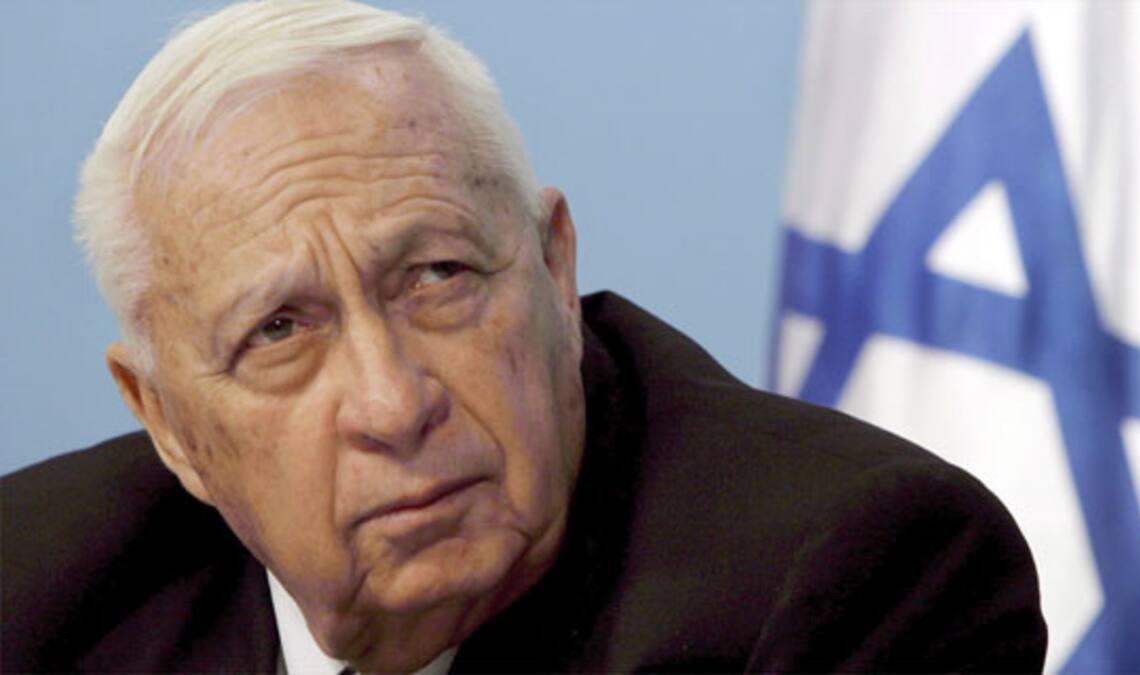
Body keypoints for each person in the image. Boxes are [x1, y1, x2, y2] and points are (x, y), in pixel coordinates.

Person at [0, 1, 1047, 672]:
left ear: (554, 266)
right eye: (279, 331)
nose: (393, 403)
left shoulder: (853, 578)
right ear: (167, 423)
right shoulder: (31, 593)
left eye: (438, 277)